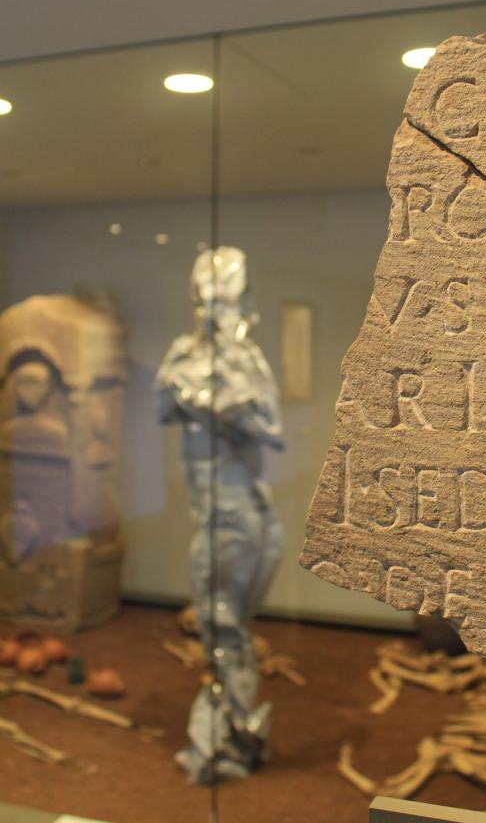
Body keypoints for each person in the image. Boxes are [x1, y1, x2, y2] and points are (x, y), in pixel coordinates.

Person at [155, 246, 284, 782]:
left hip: (234, 516)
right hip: (209, 513)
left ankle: (230, 737)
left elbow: (271, 427)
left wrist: (212, 400)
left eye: (223, 299)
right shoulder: (185, 352)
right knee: (218, 628)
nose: (211, 310)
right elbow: (162, 404)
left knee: (223, 627)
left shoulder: (242, 358)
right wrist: (192, 389)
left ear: (240, 302)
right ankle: (230, 730)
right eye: (204, 299)